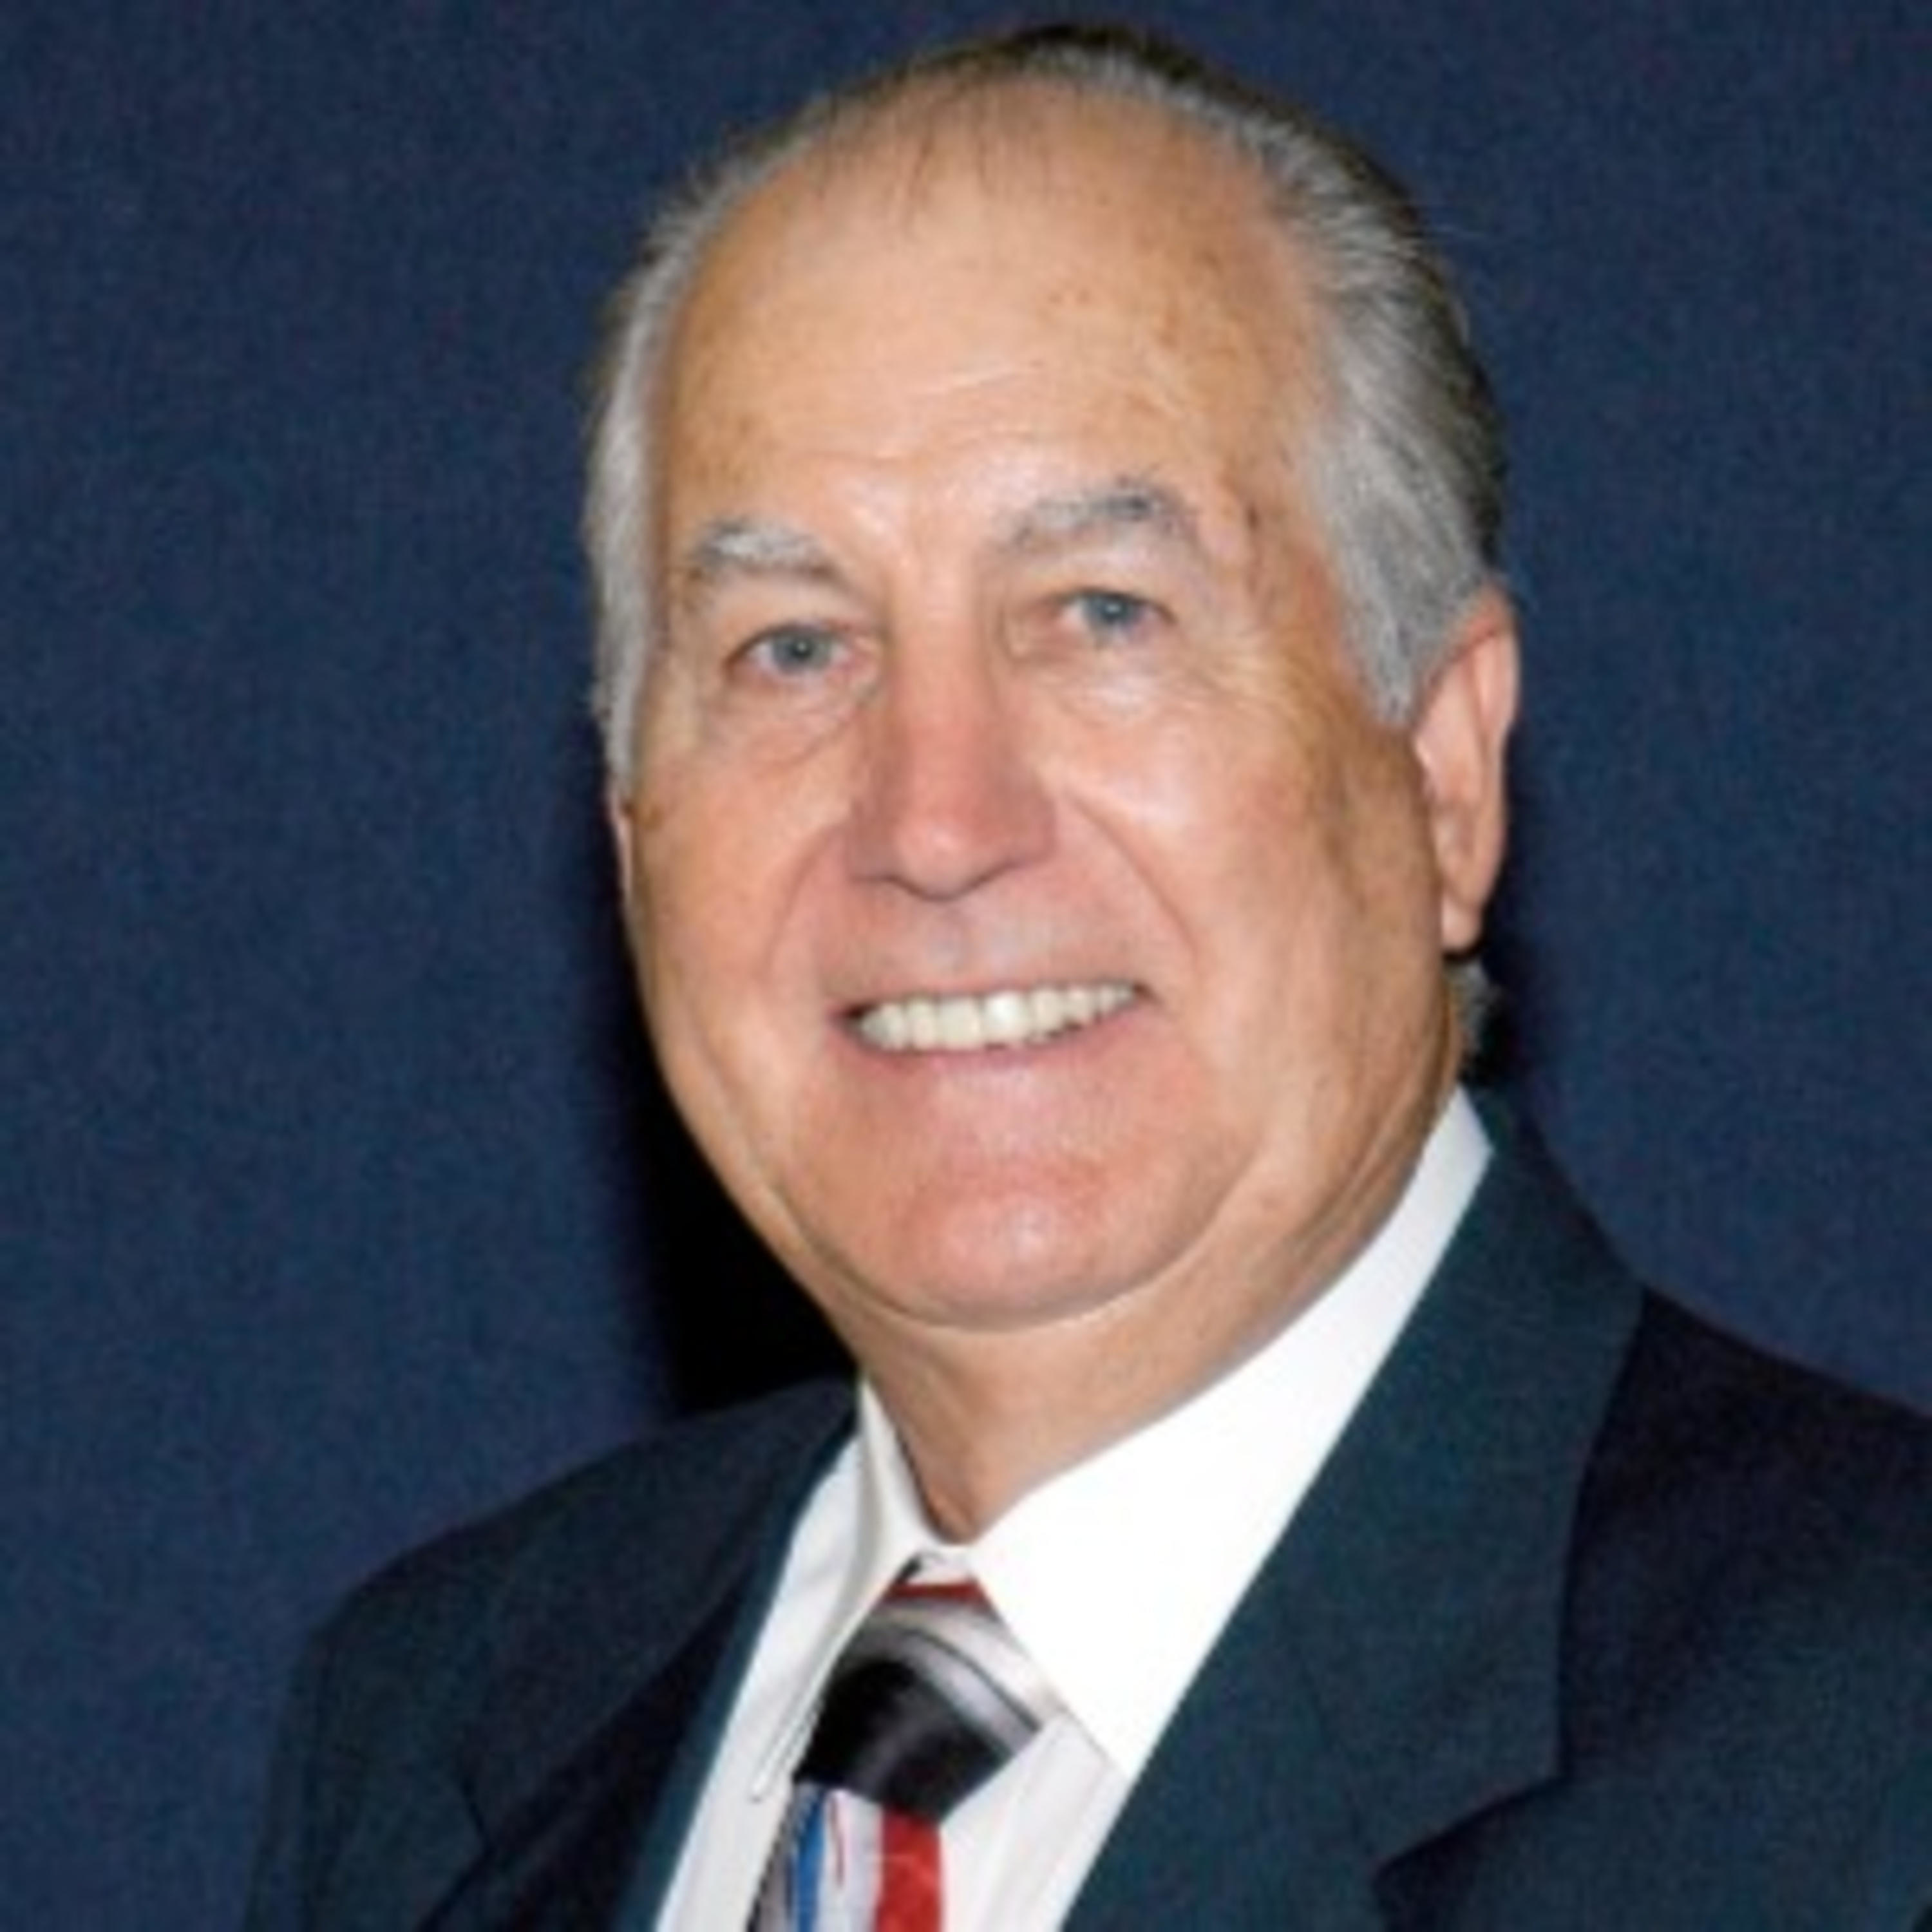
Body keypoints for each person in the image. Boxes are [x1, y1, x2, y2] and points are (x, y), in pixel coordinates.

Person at [248, 24, 1931, 1929]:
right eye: (795, 648)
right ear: (633, 831)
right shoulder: (429, 1735)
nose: (935, 819)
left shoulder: (1875, 1745)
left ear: (1443, 772)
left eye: (1102, 614)